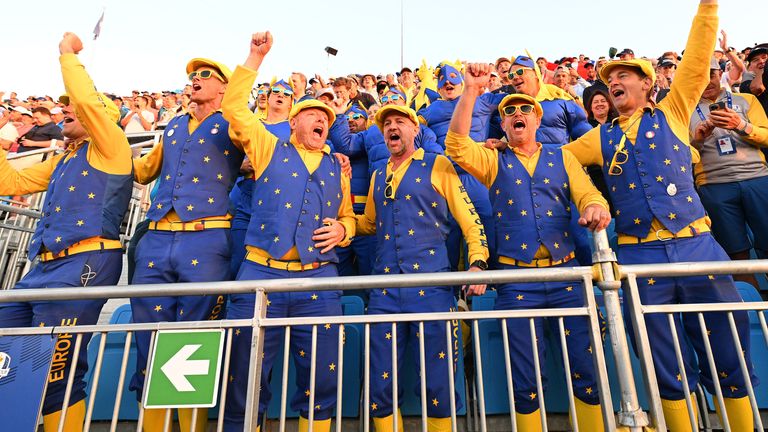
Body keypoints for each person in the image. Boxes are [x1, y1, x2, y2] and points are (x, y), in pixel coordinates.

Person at [564, 1, 757, 429]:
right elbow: (559, 163)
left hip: (697, 244)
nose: (613, 82)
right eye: (609, 79)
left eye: (623, 76)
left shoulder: (673, 109)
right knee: (662, 359)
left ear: (648, 85)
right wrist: (588, 198)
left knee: (729, 346)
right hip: (640, 257)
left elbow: (698, 51)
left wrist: (708, 6)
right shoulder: (599, 137)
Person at [447, 64, 611, 431]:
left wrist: (595, 206)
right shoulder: (492, 159)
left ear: (537, 119)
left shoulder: (563, 156)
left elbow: (588, 193)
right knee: (525, 380)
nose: (517, 115)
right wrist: (471, 91)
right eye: (509, 111)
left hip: (566, 276)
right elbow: (456, 145)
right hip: (516, 281)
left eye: (524, 110)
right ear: (502, 125)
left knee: (586, 373)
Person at [221, 31, 356, 432]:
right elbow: (234, 108)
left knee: (321, 376)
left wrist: (343, 231)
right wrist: (254, 57)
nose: (322, 120)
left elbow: (349, 216)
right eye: (314, 114)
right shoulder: (267, 147)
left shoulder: (338, 167)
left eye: (327, 118)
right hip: (261, 274)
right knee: (246, 372)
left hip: (319, 279)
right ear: (294, 121)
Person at [0, 32, 133, 432]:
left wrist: (67, 55)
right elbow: (11, 183)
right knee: (6, 353)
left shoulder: (111, 144)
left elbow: (89, 102)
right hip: (41, 268)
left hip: (85, 263)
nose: (68, 110)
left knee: (57, 370)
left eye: (74, 108)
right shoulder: (63, 158)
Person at [129, 57, 245, 432]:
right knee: (147, 334)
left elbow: (260, 155)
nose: (195, 80)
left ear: (223, 88)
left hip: (206, 236)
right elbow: (146, 170)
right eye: (192, 76)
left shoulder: (234, 123)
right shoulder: (175, 125)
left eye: (204, 75)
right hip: (158, 235)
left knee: (195, 339)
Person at [357, 104, 489, 431]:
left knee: (438, 383)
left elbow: (469, 219)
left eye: (400, 121)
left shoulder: (438, 164)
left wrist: (478, 263)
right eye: (386, 123)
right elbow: (369, 224)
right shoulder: (377, 175)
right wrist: (341, 225)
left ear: (415, 129)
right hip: (385, 292)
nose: (392, 126)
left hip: (431, 289)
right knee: (380, 384)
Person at [690, 57, 768, 289]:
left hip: (757, 177)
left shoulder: (746, 100)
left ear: (719, 74)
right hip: (714, 184)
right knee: (736, 252)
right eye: (700, 76)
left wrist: (741, 126)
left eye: (711, 74)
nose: (707, 81)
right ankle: (755, 308)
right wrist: (697, 139)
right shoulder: (684, 109)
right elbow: (680, 153)